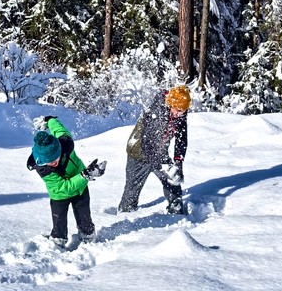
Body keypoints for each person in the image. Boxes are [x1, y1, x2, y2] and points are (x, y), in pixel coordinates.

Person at [27, 115, 106, 247]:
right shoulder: (44, 170)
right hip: (59, 195)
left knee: (84, 217)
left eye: (54, 159)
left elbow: (58, 129)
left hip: (80, 189)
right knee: (59, 223)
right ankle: (58, 242)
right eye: (48, 162)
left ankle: (88, 238)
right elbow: (65, 187)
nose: (52, 164)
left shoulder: (65, 142)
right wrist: (85, 175)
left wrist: (49, 120)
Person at [118, 85, 190, 214]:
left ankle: (176, 211)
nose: (180, 114)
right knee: (132, 190)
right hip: (138, 152)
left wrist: (178, 163)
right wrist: (163, 166)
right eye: (178, 110)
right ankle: (125, 215)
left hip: (159, 152)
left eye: (183, 111)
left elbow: (181, 138)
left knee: (173, 181)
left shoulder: (180, 110)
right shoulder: (157, 112)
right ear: (171, 104)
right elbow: (147, 146)